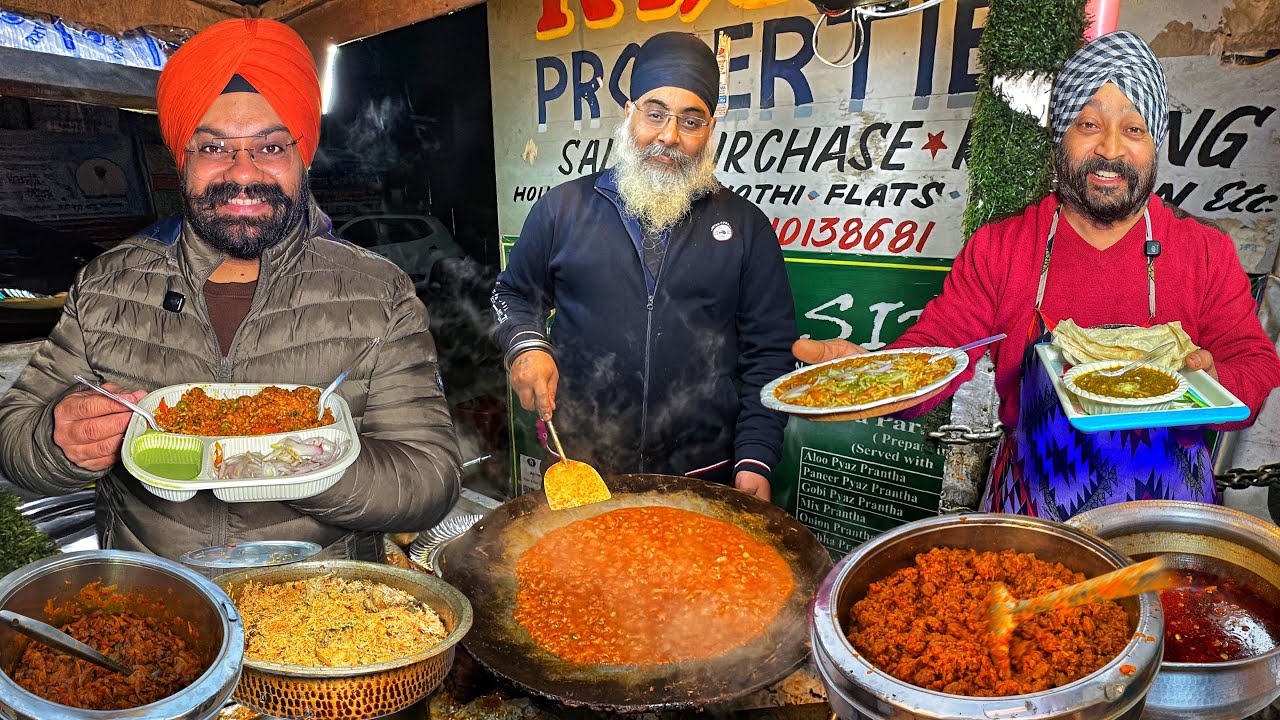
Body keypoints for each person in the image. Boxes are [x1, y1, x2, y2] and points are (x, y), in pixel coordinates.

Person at [0, 19, 460, 564]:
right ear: (183, 158)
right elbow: (14, 439)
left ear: (301, 156)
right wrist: (59, 444)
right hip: (159, 598)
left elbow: (431, 479)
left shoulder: (378, 292)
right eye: (214, 146)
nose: (243, 172)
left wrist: (296, 464)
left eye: (270, 146)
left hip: (320, 604)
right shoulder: (108, 283)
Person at [794, 31, 1280, 520]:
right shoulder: (1001, 247)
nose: (1111, 149)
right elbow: (939, 349)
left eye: (1134, 129)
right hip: (1031, 501)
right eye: (1089, 123)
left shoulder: (1204, 251)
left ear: (1155, 144)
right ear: (1059, 135)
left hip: (1169, 499)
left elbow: (1255, 359)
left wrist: (1220, 382)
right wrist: (878, 378)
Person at [492, 32, 796, 501]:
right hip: (584, 466)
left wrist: (756, 456)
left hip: (703, 470)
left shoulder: (745, 226)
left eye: (690, 121)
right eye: (655, 114)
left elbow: (769, 353)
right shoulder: (562, 208)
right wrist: (526, 345)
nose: (669, 136)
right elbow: (512, 294)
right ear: (629, 113)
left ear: (710, 129)